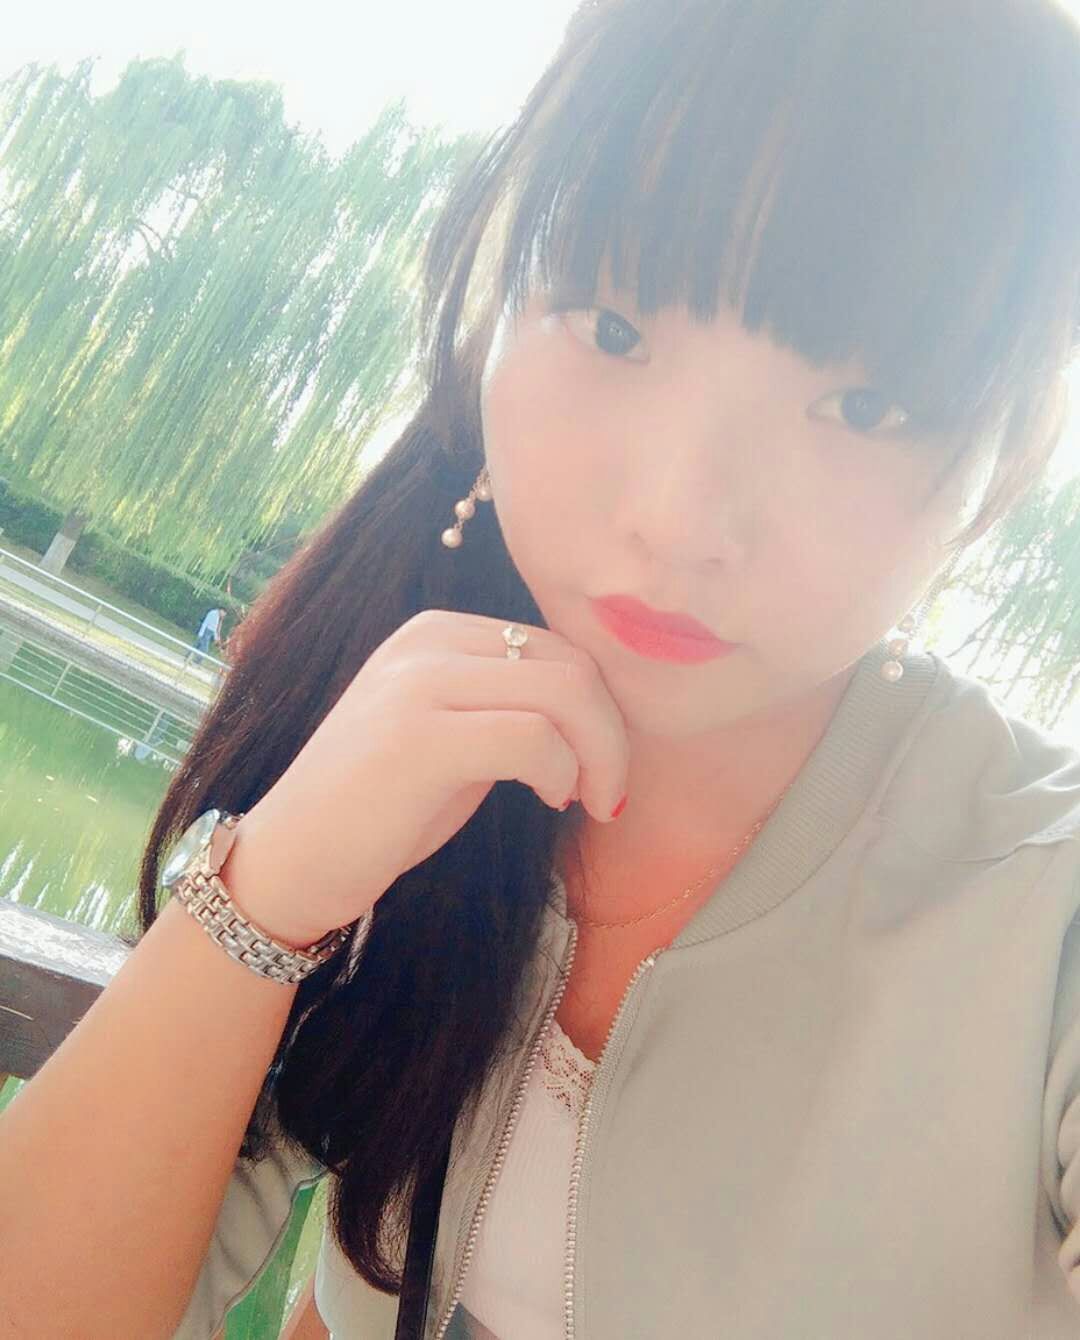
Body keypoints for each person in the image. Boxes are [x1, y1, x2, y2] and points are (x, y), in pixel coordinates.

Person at [2, 1, 1079, 1336]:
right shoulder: (391, 732)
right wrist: (269, 897)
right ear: (492, 314)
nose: (679, 519)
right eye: (613, 328)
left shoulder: (1041, 914)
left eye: (864, 407)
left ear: (1002, 463)